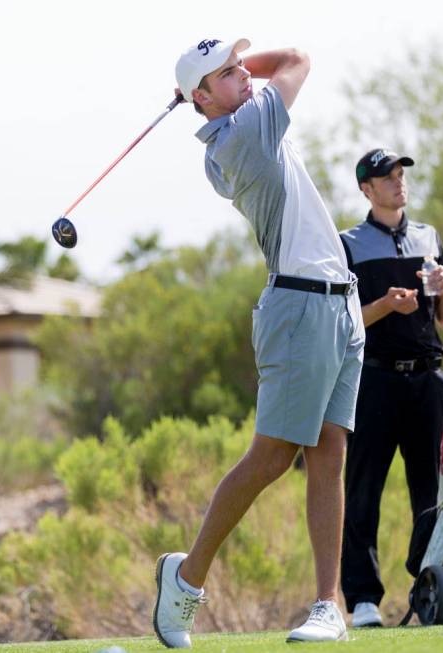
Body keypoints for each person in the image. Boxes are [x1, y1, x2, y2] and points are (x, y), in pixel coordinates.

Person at [152, 38, 364, 648]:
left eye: (242, 66)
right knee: (273, 455)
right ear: (201, 98)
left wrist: (217, 75)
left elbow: (261, 72)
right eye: (226, 73)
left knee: (329, 453)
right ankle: (186, 580)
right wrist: (222, 79)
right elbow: (296, 57)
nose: (246, 74)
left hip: (338, 301)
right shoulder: (244, 132)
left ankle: (330, 606)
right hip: (300, 306)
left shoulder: (240, 121)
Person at [339, 149, 443, 627]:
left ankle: (429, 586)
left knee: (433, 489)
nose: (397, 181)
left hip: (428, 378)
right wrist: (387, 305)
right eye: (386, 177)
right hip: (374, 378)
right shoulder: (347, 244)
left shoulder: (429, 237)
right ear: (366, 190)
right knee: (363, 487)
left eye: (400, 173)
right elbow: (345, 320)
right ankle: (363, 599)